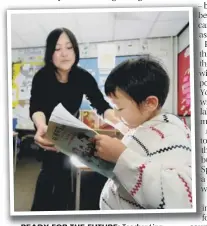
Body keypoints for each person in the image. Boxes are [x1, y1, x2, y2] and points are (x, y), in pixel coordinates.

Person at [29, 27, 120, 211]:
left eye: (69, 47)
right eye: (57, 48)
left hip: (70, 136)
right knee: (48, 180)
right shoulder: (42, 77)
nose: (64, 53)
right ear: (50, 53)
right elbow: (36, 107)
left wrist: (120, 122)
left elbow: (100, 105)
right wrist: (41, 126)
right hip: (48, 133)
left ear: (75, 50)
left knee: (67, 182)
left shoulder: (82, 77)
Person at [94, 57, 192, 209]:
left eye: (119, 108)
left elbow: (180, 195)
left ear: (150, 103)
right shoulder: (144, 127)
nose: (116, 114)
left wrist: (120, 156)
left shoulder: (169, 134)